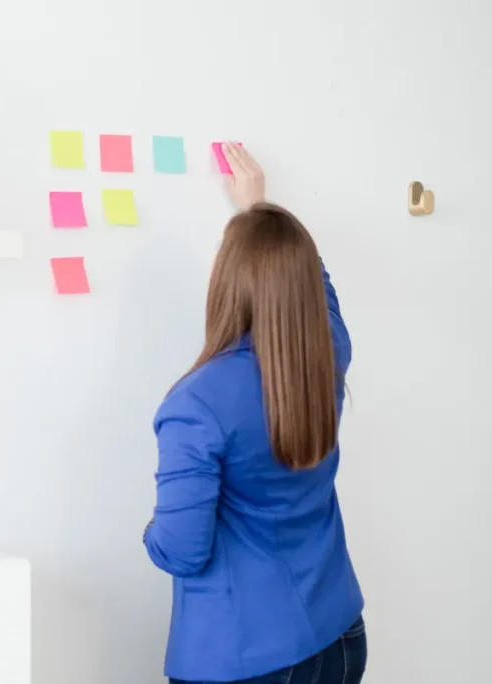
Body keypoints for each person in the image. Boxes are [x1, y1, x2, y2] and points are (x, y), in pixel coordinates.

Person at [142, 143, 366, 684]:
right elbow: (319, 291)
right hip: (341, 640)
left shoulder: (196, 403)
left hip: (245, 660)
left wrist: (153, 531)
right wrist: (259, 212)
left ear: (225, 283)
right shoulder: (327, 353)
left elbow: (181, 550)